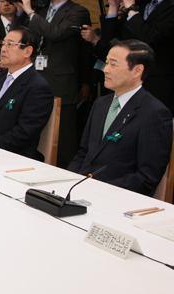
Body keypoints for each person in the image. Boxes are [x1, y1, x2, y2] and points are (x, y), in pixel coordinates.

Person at [68, 40, 172, 196]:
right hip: (81, 191)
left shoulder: (155, 113)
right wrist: (69, 181)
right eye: (106, 63)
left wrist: (99, 191)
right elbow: (84, 152)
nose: (105, 69)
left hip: (116, 199)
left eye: (113, 65)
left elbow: (147, 177)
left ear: (137, 71)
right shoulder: (101, 103)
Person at [15, 0, 92, 168]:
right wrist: (23, 11)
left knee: (62, 139)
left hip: (60, 83)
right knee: (32, 132)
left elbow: (56, 33)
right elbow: (19, 35)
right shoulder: (38, 9)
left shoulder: (78, 12)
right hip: (32, 79)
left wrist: (31, 13)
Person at [95, 0, 174, 116]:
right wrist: (114, 7)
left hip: (157, 87)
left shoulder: (165, 9)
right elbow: (109, 45)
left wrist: (131, 8)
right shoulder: (142, 5)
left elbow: (151, 38)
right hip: (125, 86)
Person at [0, 27, 53, 160]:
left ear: (27, 51)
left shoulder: (38, 87)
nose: (3, 49)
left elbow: (24, 133)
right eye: (2, 44)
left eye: (10, 44)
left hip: (13, 157)